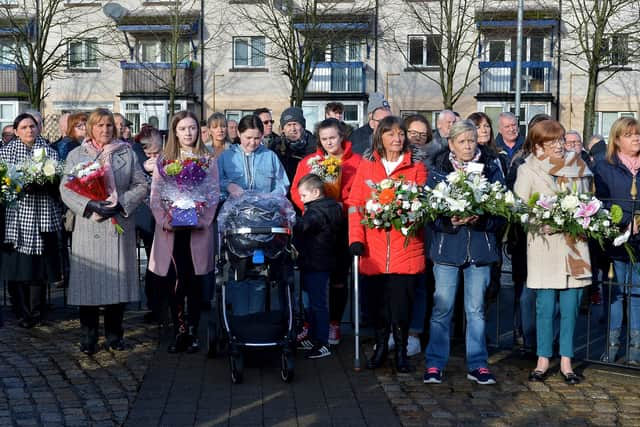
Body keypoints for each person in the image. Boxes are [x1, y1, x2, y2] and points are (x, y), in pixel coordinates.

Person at [60, 108, 148, 354]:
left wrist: (122, 202)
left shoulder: (127, 153)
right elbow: (66, 189)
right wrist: (89, 204)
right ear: (90, 128)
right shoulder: (77, 155)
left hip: (118, 223)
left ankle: (114, 335)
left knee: (116, 283)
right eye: (99, 125)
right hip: (89, 224)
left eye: (109, 125)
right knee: (89, 283)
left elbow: (141, 184)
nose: (105, 130)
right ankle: (88, 335)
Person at [423, 120, 504, 385]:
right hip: (448, 248)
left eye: (472, 140)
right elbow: (429, 214)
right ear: (451, 144)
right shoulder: (437, 171)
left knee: (476, 310)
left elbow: (503, 212)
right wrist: (449, 222)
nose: (468, 146)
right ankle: (435, 363)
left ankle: (478, 364)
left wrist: (480, 220)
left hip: (480, 249)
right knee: (442, 308)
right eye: (462, 141)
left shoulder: (491, 169)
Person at [514, 119, 592, 384]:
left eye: (560, 140)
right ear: (538, 145)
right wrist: (539, 222)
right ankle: (543, 359)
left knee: (571, 306)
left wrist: (585, 216)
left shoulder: (579, 165)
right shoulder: (528, 170)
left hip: (574, 245)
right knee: (545, 307)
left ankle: (567, 361)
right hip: (545, 247)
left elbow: (589, 200)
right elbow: (519, 207)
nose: (559, 146)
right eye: (552, 142)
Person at [347, 115, 427, 373]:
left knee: (402, 306)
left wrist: (408, 212)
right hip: (374, 250)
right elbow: (355, 207)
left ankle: (401, 352)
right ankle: (381, 347)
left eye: (401, 134)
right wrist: (356, 239)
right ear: (380, 137)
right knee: (377, 305)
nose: (397, 138)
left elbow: (423, 206)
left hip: (406, 247)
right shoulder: (368, 167)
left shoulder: (416, 167)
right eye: (391, 134)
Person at [149, 111, 219, 353]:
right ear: (174, 132)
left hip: (197, 229)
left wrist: (204, 219)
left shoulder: (207, 159)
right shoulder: (165, 159)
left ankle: (193, 329)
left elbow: (213, 193)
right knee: (176, 280)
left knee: (195, 281)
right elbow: (156, 194)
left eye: (192, 128)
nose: (188, 133)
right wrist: (164, 219)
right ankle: (179, 330)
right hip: (172, 229)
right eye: (183, 128)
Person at [290, 118, 362, 346]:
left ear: (342, 136)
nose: (329, 142)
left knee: (339, 279)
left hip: (342, 228)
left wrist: (342, 207)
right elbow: (295, 189)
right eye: (324, 139)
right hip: (314, 229)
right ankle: (310, 324)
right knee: (312, 279)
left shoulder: (356, 162)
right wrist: (313, 209)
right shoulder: (310, 162)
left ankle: (334, 323)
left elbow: (360, 192)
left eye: (333, 137)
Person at [0, 113, 62, 329]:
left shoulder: (49, 152)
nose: (29, 131)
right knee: (18, 269)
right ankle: (21, 311)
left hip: (44, 216)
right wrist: (16, 187)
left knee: (39, 269)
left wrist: (47, 183)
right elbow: (3, 187)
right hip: (16, 219)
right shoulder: (5, 153)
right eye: (24, 127)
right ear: (16, 131)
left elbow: (59, 183)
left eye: (33, 126)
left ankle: (37, 311)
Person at [593, 117, 640, 364]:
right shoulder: (604, 166)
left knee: (637, 294)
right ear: (618, 139)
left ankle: (635, 351)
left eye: (638, 134)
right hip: (616, 241)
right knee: (615, 293)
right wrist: (622, 222)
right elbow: (600, 203)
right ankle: (611, 348)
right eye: (630, 134)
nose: (636, 138)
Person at [294, 174, 345, 359]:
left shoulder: (316, 211)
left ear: (315, 192)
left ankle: (322, 342)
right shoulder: (332, 207)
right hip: (321, 260)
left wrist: (290, 219)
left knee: (317, 304)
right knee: (313, 302)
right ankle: (313, 336)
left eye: (304, 196)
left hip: (316, 262)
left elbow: (305, 226)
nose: (301, 200)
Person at [401, 113, 433, 356]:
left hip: (425, 232)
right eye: (413, 133)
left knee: (421, 287)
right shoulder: (397, 159)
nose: (418, 139)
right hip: (397, 231)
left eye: (423, 135)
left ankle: (414, 333)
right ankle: (394, 331)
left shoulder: (435, 161)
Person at [218, 115, 289, 199]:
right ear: (239, 133)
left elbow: (282, 184)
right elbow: (215, 182)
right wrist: (228, 186)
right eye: (248, 138)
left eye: (257, 138)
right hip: (234, 209)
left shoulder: (270, 156)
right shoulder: (226, 157)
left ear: (262, 135)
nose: (252, 142)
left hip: (265, 208)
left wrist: (270, 196)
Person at [270, 107, 317, 184]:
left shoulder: (314, 145)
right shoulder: (275, 146)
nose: (292, 129)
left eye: (295, 124)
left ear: (302, 126)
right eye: (288, 125)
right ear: (283, 129)